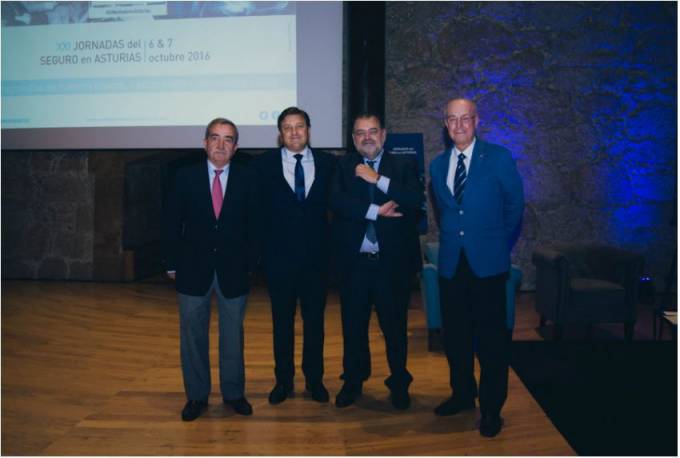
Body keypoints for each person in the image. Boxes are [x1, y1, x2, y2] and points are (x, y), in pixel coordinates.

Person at [429, 98, 524, 437]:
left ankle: (491, 409)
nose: (459, 125)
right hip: (451, 266)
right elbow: (445, 212)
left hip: (488, 266)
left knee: (491, 343)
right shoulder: (438, 165)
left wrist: (496, 243)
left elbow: (515, 207)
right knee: (455, 340)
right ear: (445, 124)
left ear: (477, 121)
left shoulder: (498, 158)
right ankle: (462, 395)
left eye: (465, 118)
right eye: (452, 119)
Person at [162, 118, 259, 421]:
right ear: (204, 143)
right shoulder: (184, 176)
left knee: (232, 336)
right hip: (192, 268)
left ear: (236, 147)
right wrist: (171, 262)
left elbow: (256, 226)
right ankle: (196, 396)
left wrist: (250, 263)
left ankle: (234, 393)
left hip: (234, 269)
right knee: (192, 335)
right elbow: (170, 222)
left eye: (228, 139)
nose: (220, 145)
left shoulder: (248, 178)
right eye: (215, 138)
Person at [331, 112, 423, 410]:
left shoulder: (404, 165)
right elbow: (337, 202)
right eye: (360, 133)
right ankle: (353, 381)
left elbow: (413, 201)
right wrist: (374, 211)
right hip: (354, 263)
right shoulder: (343, 166)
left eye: (372, 131)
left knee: (394, 328)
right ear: (353, 138)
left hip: (392, 264)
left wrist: (378, 180)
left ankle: (399, 382)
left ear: (383, 135)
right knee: (353, 327)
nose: (367, 137)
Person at [254, 106, 336, 405]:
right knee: (282, 324)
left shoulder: (329, 163)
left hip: (317, 260)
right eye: (287, 127)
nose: (294, 132)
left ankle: (314, 381)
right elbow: (255, 212)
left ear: (308, 130)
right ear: (280, 133)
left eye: (299, 126)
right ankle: (283, 381)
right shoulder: (263, 165)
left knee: (315, 324)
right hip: (279, 261)